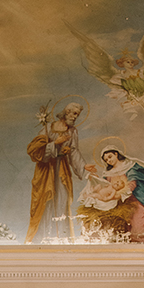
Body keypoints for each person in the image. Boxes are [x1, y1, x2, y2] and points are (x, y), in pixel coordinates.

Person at [26, 102, 97, 243]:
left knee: (62, 201)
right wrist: (55, 144)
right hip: (46, 171)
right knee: (45, 201)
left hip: (62, 171)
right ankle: (42, 238)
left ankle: (61, 238)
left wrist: (83, 166)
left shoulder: (73, 131)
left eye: (77, 114)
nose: (75, 117)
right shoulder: (47, 128)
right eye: (74, 113)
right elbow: (35, 150)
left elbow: (74, 151)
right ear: (67, 112)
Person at [78, 149, 144, 243]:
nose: (108, 161)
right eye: (106, 160)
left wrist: (122, 193)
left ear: (116, 154)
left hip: (132, 199)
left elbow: (132, 183)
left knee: (138, 223)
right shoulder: (108, 173)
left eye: (110, 157)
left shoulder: (130, 167)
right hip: (114, 201)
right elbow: (106, 186)